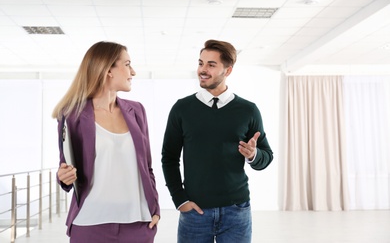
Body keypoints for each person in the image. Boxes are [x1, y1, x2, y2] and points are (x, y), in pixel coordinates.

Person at [161, 39, 273, 243]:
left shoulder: (248, 110)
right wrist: (180, 200)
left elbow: (267, 156)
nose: (202, 70)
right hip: (194, 211)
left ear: (227, 70)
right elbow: (169, 158)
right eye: (201, 63)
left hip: (236, 212)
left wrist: (253, 155)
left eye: (211, 65)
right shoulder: (182, 109)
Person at [52, 41, 160, 243]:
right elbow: (65, 168)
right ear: (108, 69)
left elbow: (147, 166)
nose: (133, 72)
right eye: (127, 64)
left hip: (139, 223)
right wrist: (63, 177)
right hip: (90, 223)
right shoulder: (71, 115)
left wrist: (155, 209)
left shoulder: (137, 111)